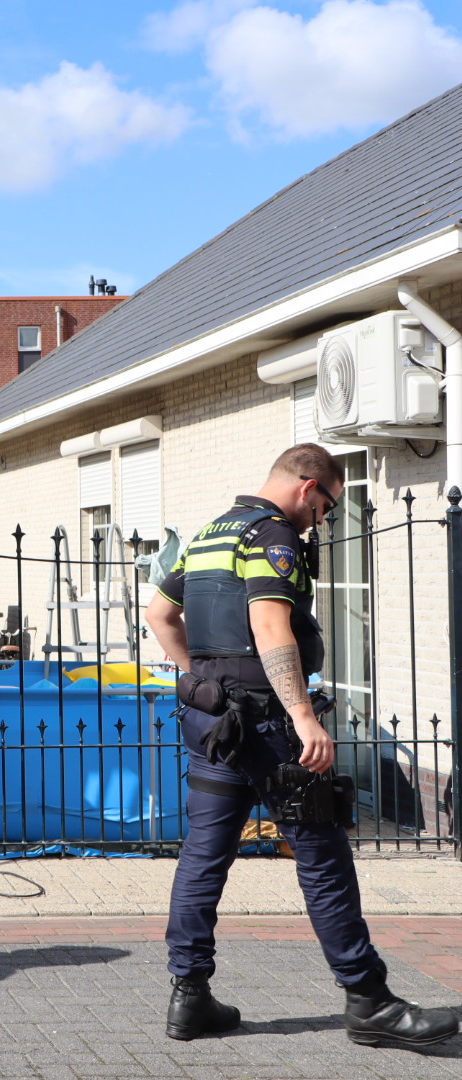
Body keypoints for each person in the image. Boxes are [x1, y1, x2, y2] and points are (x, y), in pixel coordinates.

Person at [145, 444, 457, 1048]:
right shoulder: (272, 537)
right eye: (327, 507)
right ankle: (370, 1001)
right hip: (270, 729)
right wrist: (303, 717)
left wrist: (204, 681)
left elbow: (160, 613)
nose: (322, 520)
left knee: (204, 855)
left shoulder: (212, 532)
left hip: (213, 727)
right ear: (308, 487)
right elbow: (269, 624)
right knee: (323, 856)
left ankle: (190, 997)